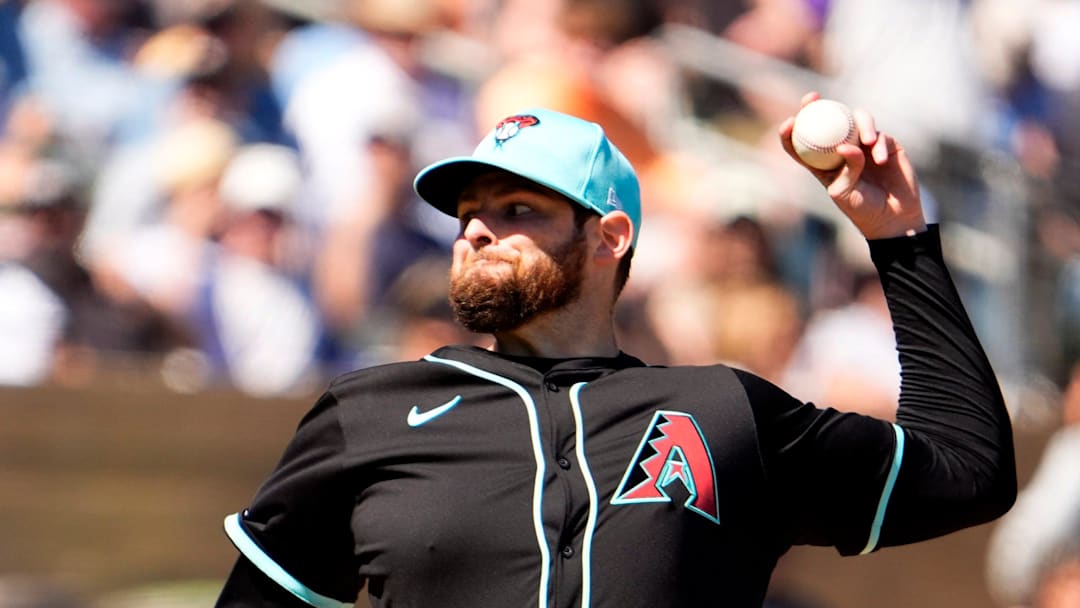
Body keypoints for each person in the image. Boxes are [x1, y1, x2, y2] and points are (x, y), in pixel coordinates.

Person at [214, 98, 1016, 607]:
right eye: (468, 213)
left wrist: (900, 242)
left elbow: (968, 472)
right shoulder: (371, 414)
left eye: (519, 207)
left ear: (610, 237)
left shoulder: (725, 412)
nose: (477, 231)